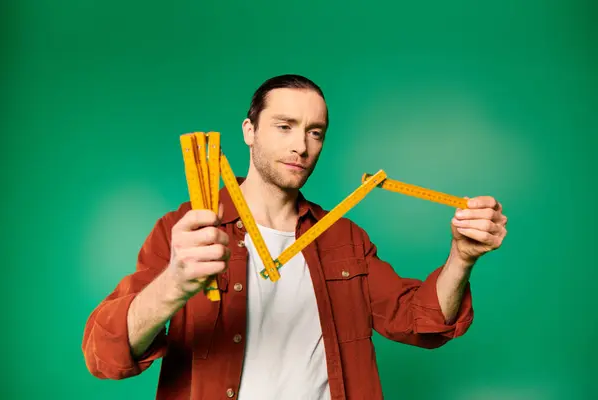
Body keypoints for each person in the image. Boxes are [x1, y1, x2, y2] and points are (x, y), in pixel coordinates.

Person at [81, 74, 508, 400]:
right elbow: (105, 353)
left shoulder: (345, 238)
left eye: (314, 131)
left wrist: (462, 257)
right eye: (284, 126)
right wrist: (174, 284)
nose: (301, 146)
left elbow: (422, 321)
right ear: (249, 131)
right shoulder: (189, 228)